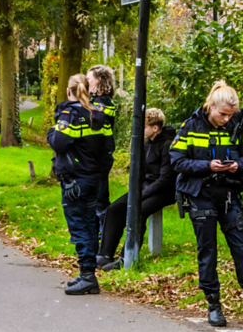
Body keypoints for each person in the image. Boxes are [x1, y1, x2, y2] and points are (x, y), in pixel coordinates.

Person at [170, 81, 243, 328]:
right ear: (211, 106)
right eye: (223, 114)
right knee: (208, 252)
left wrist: (240, 165)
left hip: (230, 195)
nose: (227, 119)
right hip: (201, 194)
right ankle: (213, 306)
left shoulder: (237, 127)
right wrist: (207, 166)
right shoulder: (191, 126)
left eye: (231, 115)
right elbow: (176, 160)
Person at [47, 74, 115, 296]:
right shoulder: (99, 115)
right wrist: (98, 174)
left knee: (80, 226)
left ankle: (88, 276)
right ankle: (87, 272)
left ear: (69, 91)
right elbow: (108, 150)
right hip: (94, 179)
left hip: (75, 181)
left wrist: (51, 131)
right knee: (90, 224)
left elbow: (58, 142)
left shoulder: (70, 114)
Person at [96, 108, 177, 270]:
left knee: (138, 211)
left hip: (165, 191)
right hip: (144, 189)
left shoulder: (167, 145)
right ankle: (104, 254)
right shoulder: (146, 144)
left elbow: (166, 179)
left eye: (144, 126)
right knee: (114, 209)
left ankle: (126, 257)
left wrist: (142, 194)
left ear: (155, 128)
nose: (141, 130)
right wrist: (136, 191)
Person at [87, 64, 118, 232]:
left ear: (98, 81)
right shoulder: (99, 102)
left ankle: (103, 239)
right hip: (99, 156)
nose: (86, 83)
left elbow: (94, 123)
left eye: (89, 79)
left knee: (99, 200)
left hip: (100, 157)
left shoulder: (103, 103)